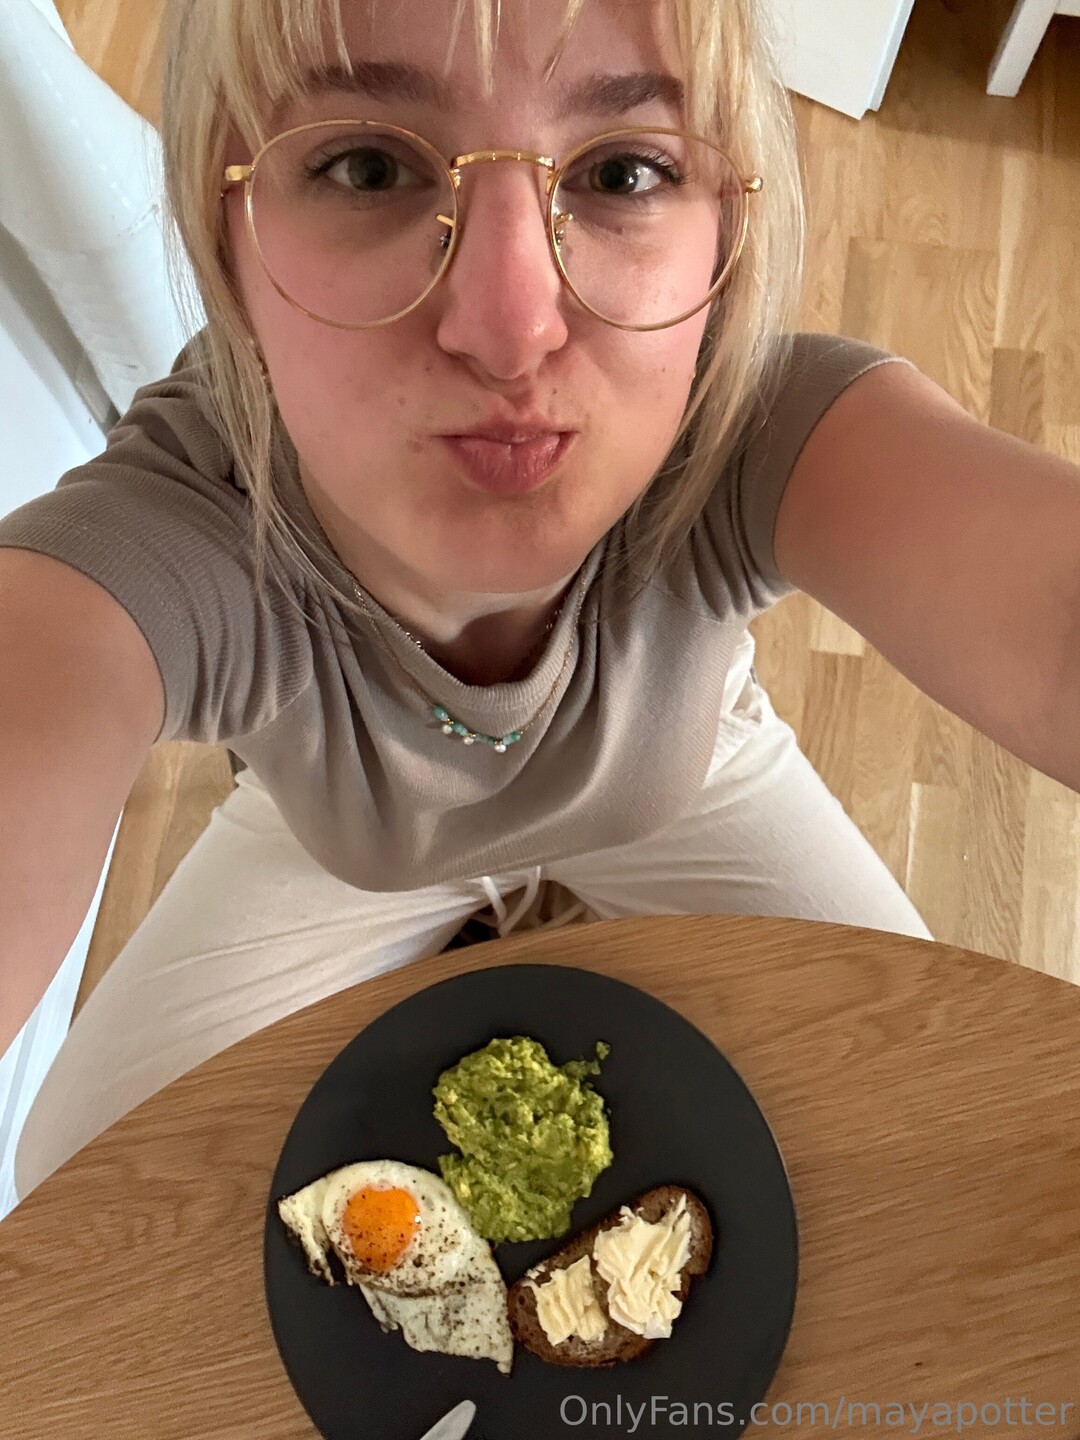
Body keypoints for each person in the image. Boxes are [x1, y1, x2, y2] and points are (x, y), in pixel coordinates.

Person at [2, 0, 1078, 1201]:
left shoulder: (750, 435)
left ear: (726, 230)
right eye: (368, 168)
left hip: (689, 774)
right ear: (229, 232)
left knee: (945, 1096)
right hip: (338, 848)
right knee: (74, 1181)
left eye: (623, 172)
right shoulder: (197, 521)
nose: (510, 329)